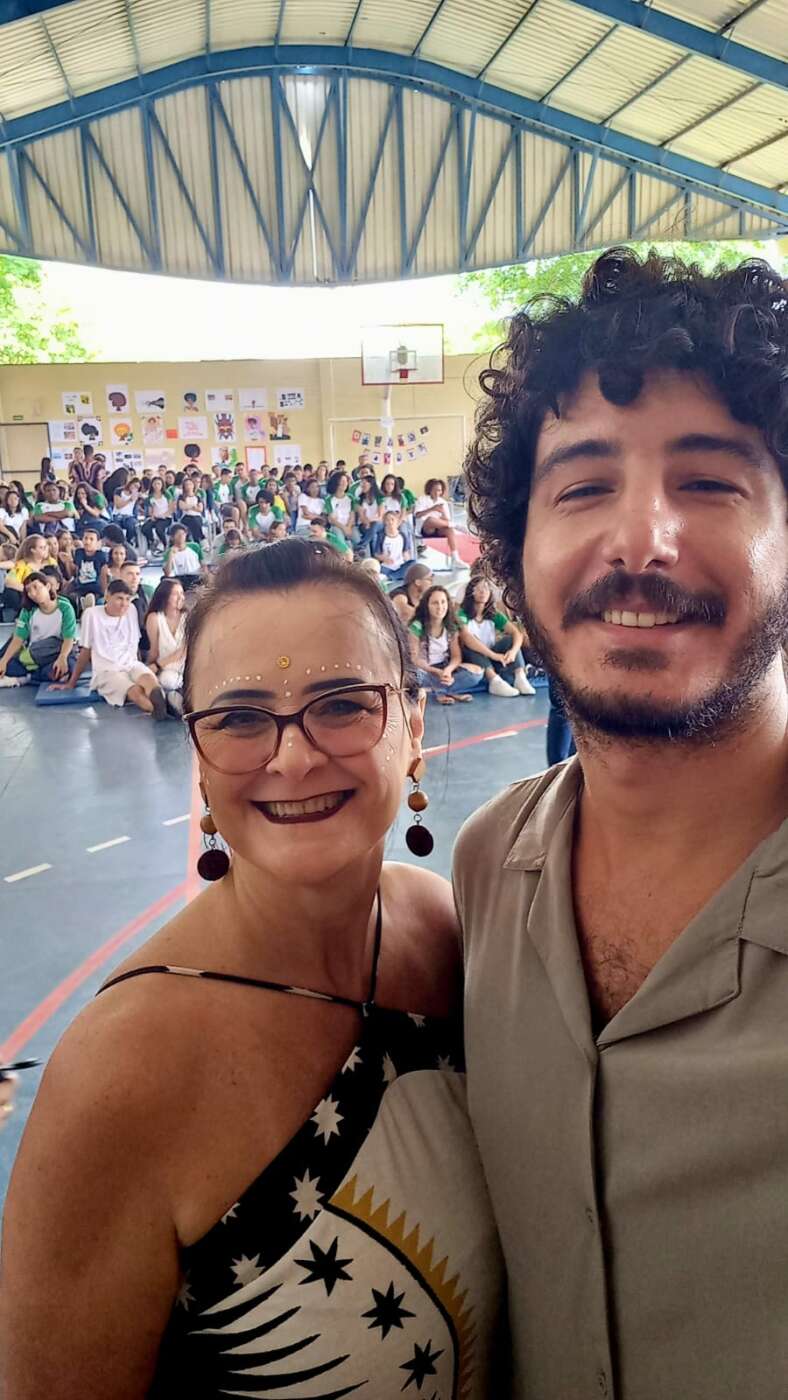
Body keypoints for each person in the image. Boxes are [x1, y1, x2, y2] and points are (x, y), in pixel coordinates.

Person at [1, 538, 504, 1395]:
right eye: (239, 718)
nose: (292, 758)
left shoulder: (442, 933)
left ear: (414, 725)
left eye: (342, 704)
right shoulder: (119, 1077)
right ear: (198, 754)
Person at [455, 247, 788, 1399]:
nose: (638, 540)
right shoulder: (487, 867)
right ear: (516, 557)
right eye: (582, 486)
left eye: (708, 482)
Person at [53, 578, 166, 717]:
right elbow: (85, 652)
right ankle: (161, 713)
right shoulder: (91, 615)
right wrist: (72, 683)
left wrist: (141, 666)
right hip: (106, 671)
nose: (124, 604)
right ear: (107, 596)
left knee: (150, 681)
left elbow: (133, 644)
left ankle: (165, 709)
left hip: (131, 664)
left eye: (127, 599)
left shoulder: (131, 610)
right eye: (119, 598)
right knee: (135, 691)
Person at [457, 575, 535, 697]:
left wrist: (513, 652)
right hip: (474, 658)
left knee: (510, 640)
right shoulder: (462, 614)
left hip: (493, 655)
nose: (483, 591)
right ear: (471, 592)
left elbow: (516, 633)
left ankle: (520, 676)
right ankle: (494, 680)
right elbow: (466, 637)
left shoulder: (493, 614)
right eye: (478, 588)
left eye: (486, 588)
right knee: (471, 646)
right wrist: (493, 655)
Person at [0, 571, 77, 688]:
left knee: (65, 668)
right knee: (7, 663)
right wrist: (4, 661)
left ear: (48, 586)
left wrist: (62, 658)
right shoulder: (27, 610)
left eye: (36, 587)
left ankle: (25, 678)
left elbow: (68, 638)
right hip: (32, 656)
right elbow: (18, 639)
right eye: (28, 591)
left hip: (56, 652)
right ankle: (30, 676)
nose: (32, 593)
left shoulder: (65, 608)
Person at [409, 585, 482, 704]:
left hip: (443, 667)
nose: (440, 607)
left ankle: (441, 690)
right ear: (426, 606)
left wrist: (448, 670)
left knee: (477, 672)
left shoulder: (450, 626)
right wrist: (435, 672)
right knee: (416, 676)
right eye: (435, 603)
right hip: (425, 669)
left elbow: (456, 657)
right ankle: (447, 691)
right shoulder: (417, 626)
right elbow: (414, 659)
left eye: (443, 602)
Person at [144, 577, 186, 714]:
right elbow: (154, 650)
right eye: (175, 594)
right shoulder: (154, 618)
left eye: (182, 593)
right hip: (168, 669)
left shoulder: (188, 616)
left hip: (187, 665)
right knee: (167, 681)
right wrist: (149, 669)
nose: (180, 597)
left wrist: (157, 665)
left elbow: (185, 650)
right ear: (165, 596)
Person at [413, 478, 462, 568]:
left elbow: (447, 520)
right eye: (434, 490)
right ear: (429, 490)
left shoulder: (443, 502)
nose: (437, 492)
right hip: (425, 529)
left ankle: (456, 559)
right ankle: (456, 525)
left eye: (439, 490)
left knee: (450, 530)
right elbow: (417, 515)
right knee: (430, 519)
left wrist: (443, 512)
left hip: (439, 528)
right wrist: (432, 509)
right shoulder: (422, 499)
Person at [69, 527, 107, 612]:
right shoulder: (79, 553)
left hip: (95, 589)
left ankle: (87, 607)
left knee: (94, 600)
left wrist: (104, 593)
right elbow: (75, 571)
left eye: (91, 539)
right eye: (85, 538)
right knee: (72, 598)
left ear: (97, 542)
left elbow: (103, 576)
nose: (87, 541)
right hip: (80, 588)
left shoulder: (101, 556)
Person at [375, 508, 413, 582]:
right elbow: (376, 554)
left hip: (400, 565)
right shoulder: (381, 536)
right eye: (387, 520)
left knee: (413, 563)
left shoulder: (402, 535)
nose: (390, 522)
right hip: (387, 566)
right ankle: (397, 576)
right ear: (385, 522)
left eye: (392, 519)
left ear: (397, 521)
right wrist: (384, 558)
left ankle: (391, 577)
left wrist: (407, 561)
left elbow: (405, 552)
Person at [389, 562, 433, 626]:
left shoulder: (425, 598)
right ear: (417, 582)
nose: (431, 583)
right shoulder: (399, 593)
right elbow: (403, 611)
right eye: (429, 579)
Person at [163, 523, 204, 590]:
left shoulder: (194, 547)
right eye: (178, 534)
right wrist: (171, 555)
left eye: (183, 534)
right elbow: (167, 573)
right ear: (172, 537)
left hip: (196, 576)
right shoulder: (169, 552)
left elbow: (202, 564)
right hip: (179, 579)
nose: (181, 536)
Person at [324, 469, 359, 547]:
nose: (345, 483)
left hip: (350, 526)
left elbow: (352, 515)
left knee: (358, 540)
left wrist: (348, 527)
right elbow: (331, 519)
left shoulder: (350, 498)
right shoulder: (329, 499)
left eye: (346, 481)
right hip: (337, 526)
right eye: (342, 481)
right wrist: (344, 528)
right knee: (339, 539)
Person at [141, 476, 172, 553]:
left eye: (159, 484)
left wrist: (165, 515)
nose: (157, 486)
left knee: (159, 528)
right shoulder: (150, 497)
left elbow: (171, 508)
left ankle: (165, 544)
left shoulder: (166, 495)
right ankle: (153, 540)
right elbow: (150, 510)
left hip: (166, 518)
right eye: (155, 484)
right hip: (155, 517)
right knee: (145, 528)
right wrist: (152, 516)